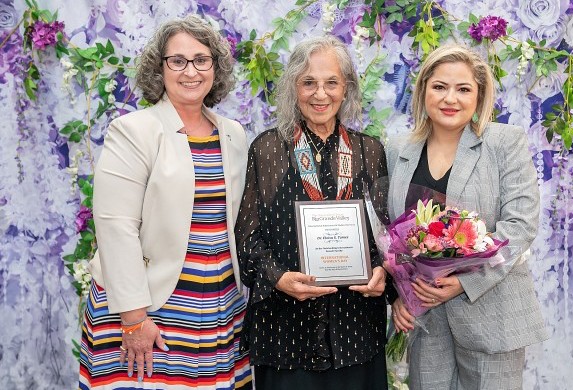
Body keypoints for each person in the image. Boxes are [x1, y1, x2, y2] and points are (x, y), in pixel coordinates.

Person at [79, 15, 251, 389]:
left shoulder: (233, 133)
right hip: (149, 307)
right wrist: (134, 319)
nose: (190, 71)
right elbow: (116, 225)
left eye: (201, 59)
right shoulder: (134, 130)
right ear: (160, 68)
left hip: (219, 308)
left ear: (215, 67)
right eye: (177, 60)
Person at [386, 44, 549, 389]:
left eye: (463, 89)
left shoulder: (505, 143)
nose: (450, 99)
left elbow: (519, 226)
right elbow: (394, 237)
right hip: (426, 319)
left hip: (492, 315)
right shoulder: (398, 149)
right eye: (440, 87)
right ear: (423, 90)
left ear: (479, 96)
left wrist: (464, 283)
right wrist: (400, 294)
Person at [234, 36, 388, 390]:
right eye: (309, 82)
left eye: (331, 82)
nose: (321, 94)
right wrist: (278, 277)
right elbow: (247, 237)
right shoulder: (268, 148)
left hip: (355, 330)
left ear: (346, 88)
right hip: (285, 331)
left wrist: (383, 272)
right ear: (293, 87)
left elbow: (385, 236)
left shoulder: (370, 150)